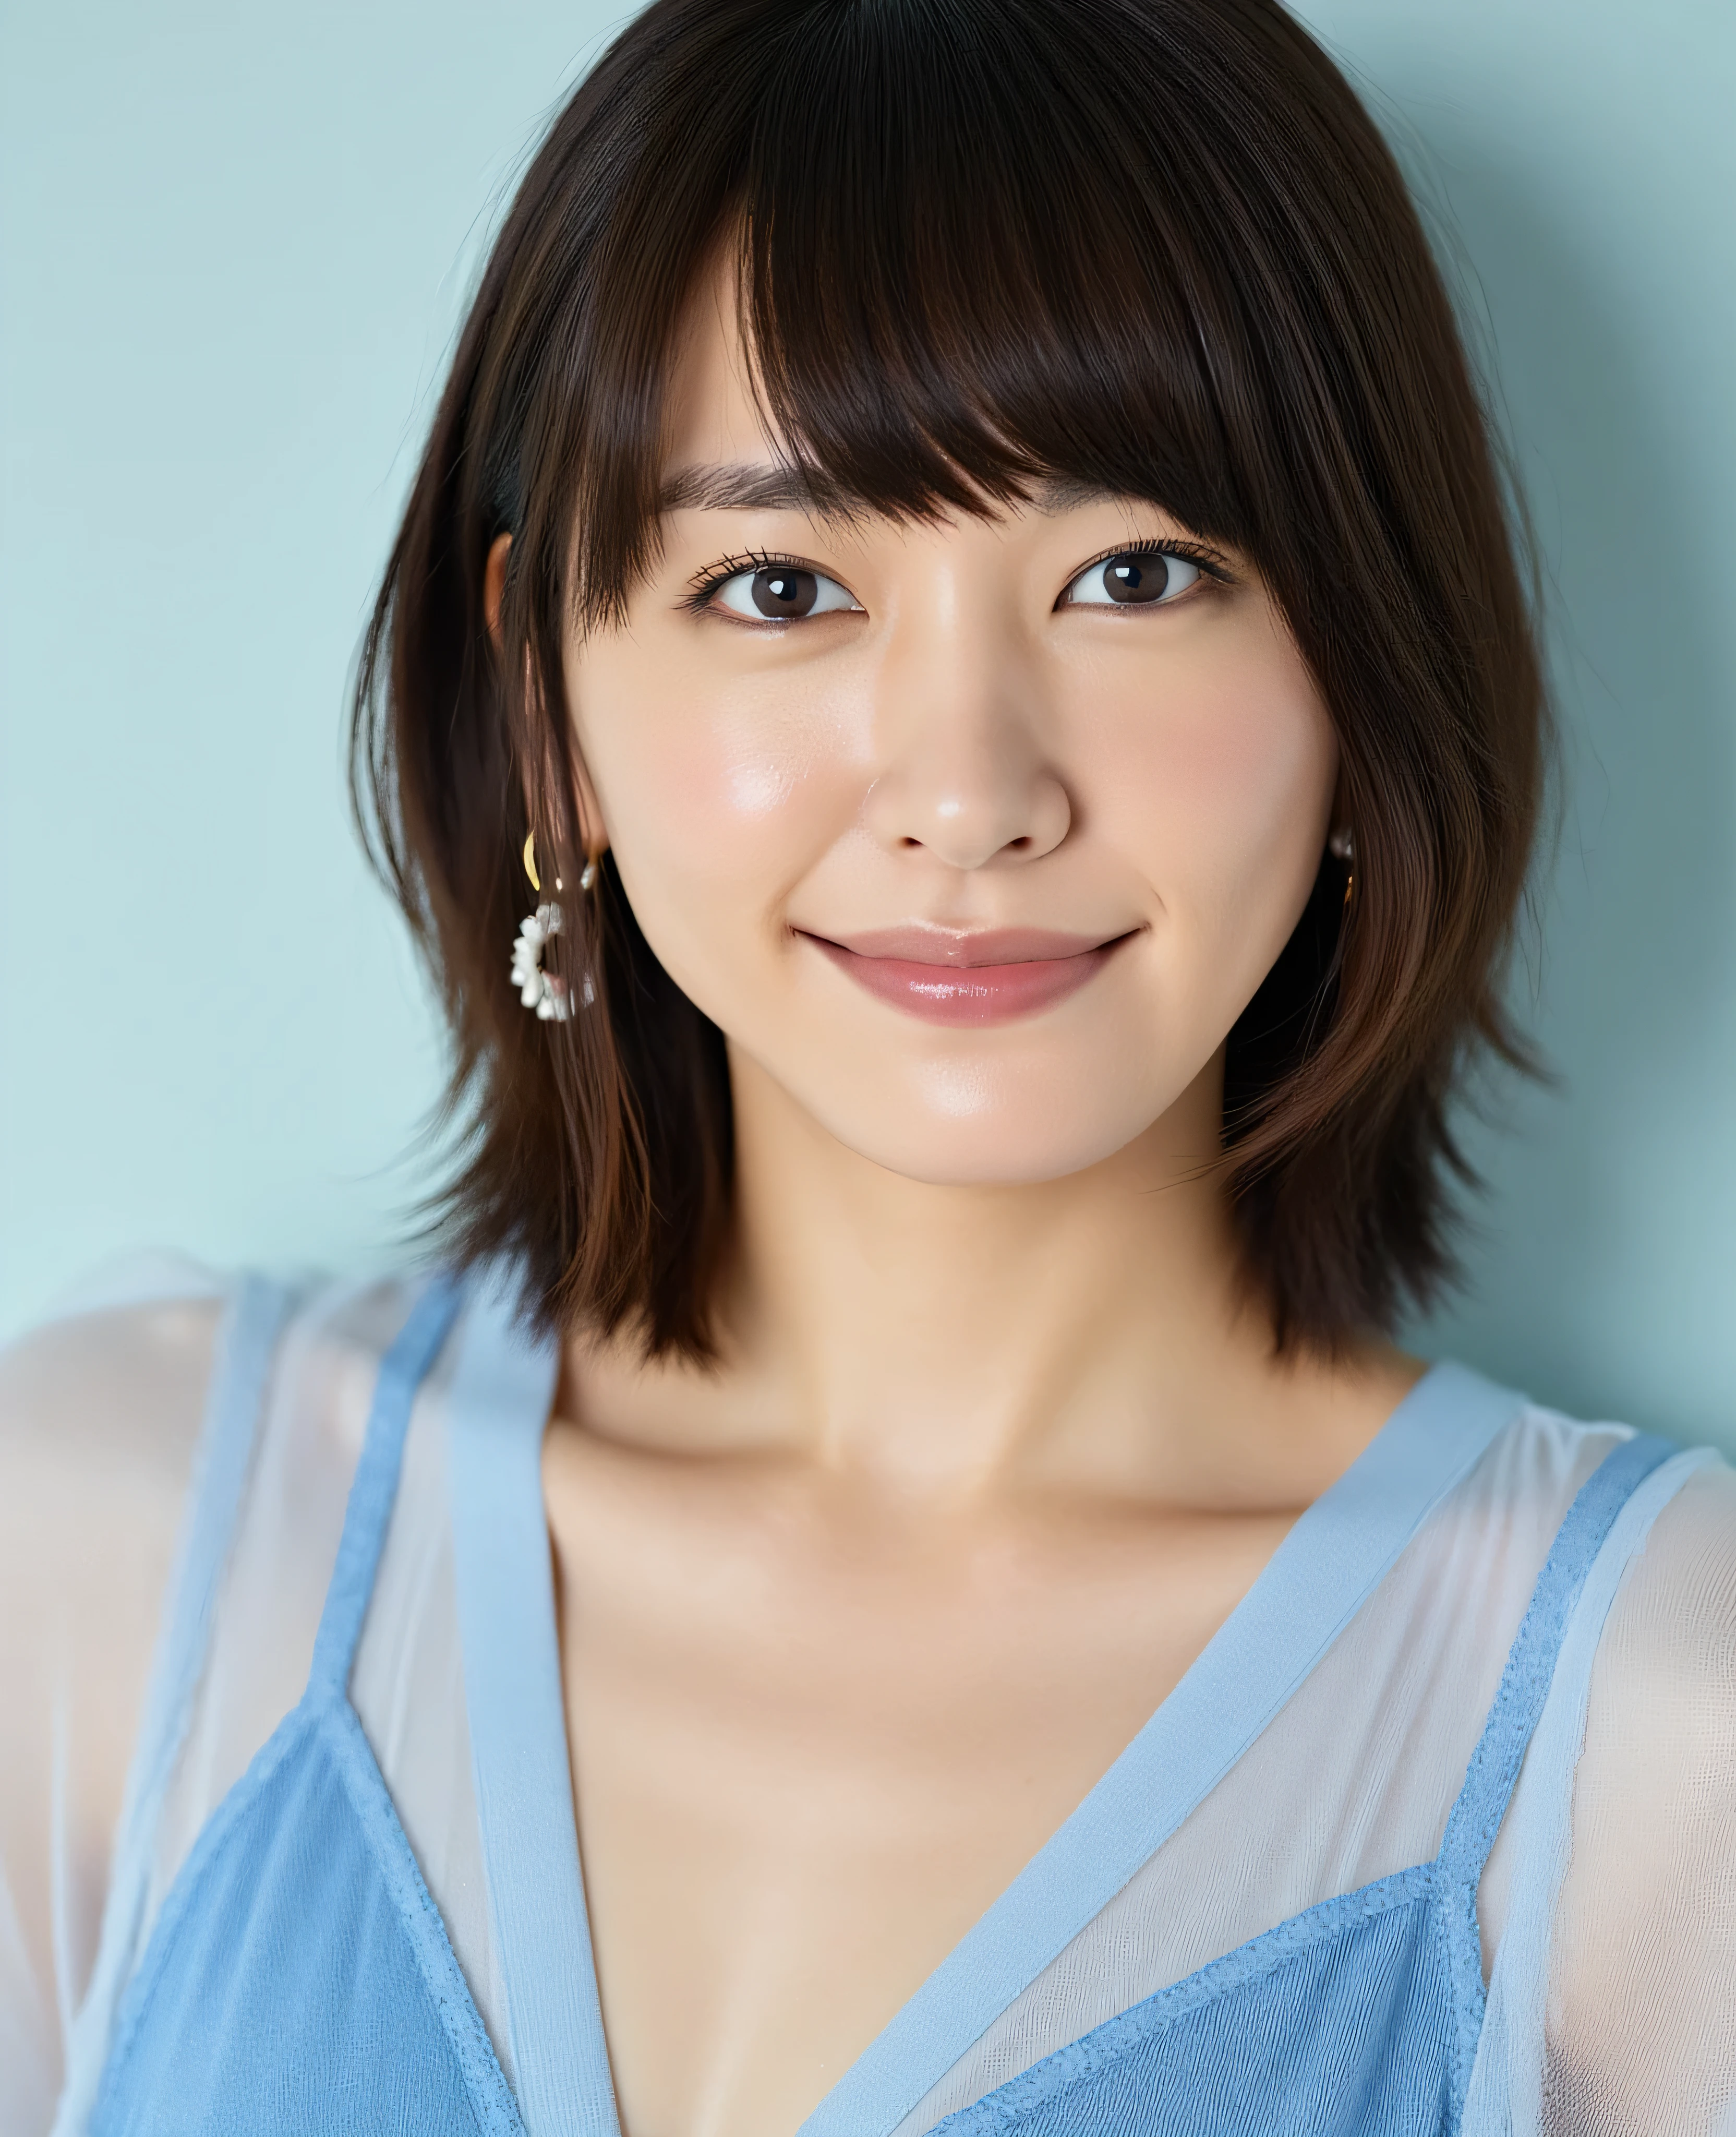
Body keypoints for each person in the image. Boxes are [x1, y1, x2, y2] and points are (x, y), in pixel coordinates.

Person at [3, 0, 1732, 2130]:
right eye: (782, 584)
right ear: (548, 697)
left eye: (1134, 571)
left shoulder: (1660, 1736)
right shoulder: (111, 1545)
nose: (966, 792)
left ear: (1363, 668)